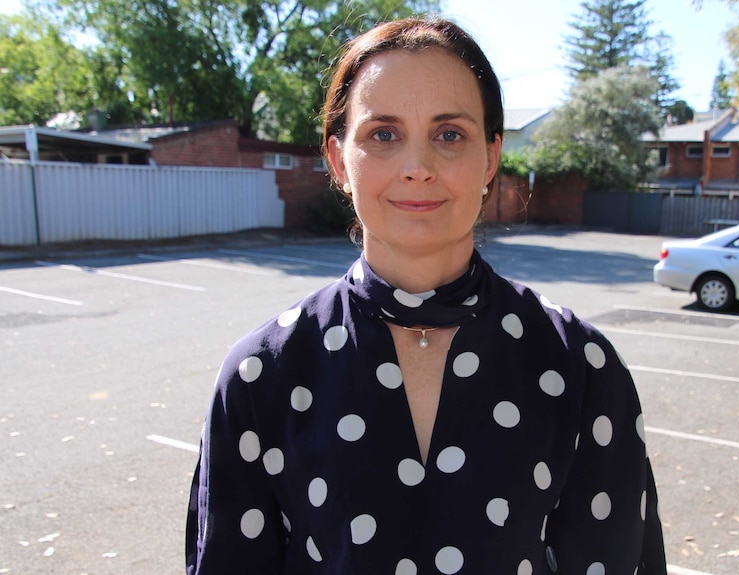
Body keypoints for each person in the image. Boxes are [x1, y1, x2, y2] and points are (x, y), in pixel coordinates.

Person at [185, 16, 667, 575]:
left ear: (490, 158)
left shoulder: (582, 367)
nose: (418, 168)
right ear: (340, 160)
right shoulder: (261, 375)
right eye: (383, 135)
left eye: (449, 135)